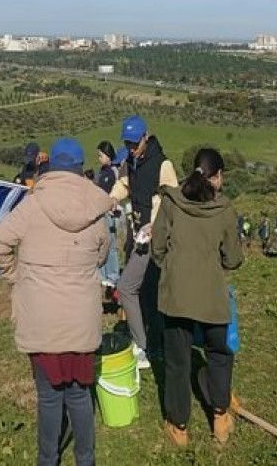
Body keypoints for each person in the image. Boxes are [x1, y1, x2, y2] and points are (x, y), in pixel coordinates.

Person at [0, 137, 112, 466]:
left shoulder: (31, 206)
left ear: (51, 167)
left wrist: (17, 275)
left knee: (48, 397)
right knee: (80, 395)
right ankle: (85, 460)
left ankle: (48, 460)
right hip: (80, 319)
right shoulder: (93, 210)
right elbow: (102, 254)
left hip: (41, 317)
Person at [152, 148, 244, 446]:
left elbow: (157, 247)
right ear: (218, 176)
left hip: (176, 295)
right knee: (218, 355)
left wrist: (170, 267)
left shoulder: (171, 201)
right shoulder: (225, 209)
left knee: (178, 362)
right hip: (211, 297)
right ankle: (219, 417)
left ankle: (179, 427)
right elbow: (232, 259)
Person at [110, 115, 179, 369]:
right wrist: (113, 199)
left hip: (154, 237)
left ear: (145, 137)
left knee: (127, 287)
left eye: (134, 143)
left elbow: (173, 200)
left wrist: (155, 224)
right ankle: (156, 345)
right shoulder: (131, 161)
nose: (130, 148)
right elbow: (124, 184)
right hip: (139, 232)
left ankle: (143, 345)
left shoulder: (163, 165)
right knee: (150, 291)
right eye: (126, 143)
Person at [96, 141, 120, 289]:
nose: (99, 158)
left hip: (109, 213)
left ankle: (113, 276)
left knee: (110, 246)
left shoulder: (111, 173)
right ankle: (103, 275)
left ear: (108, 155)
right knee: (102, 244)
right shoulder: (103, 172)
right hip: (101, 212)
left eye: (101, 155)